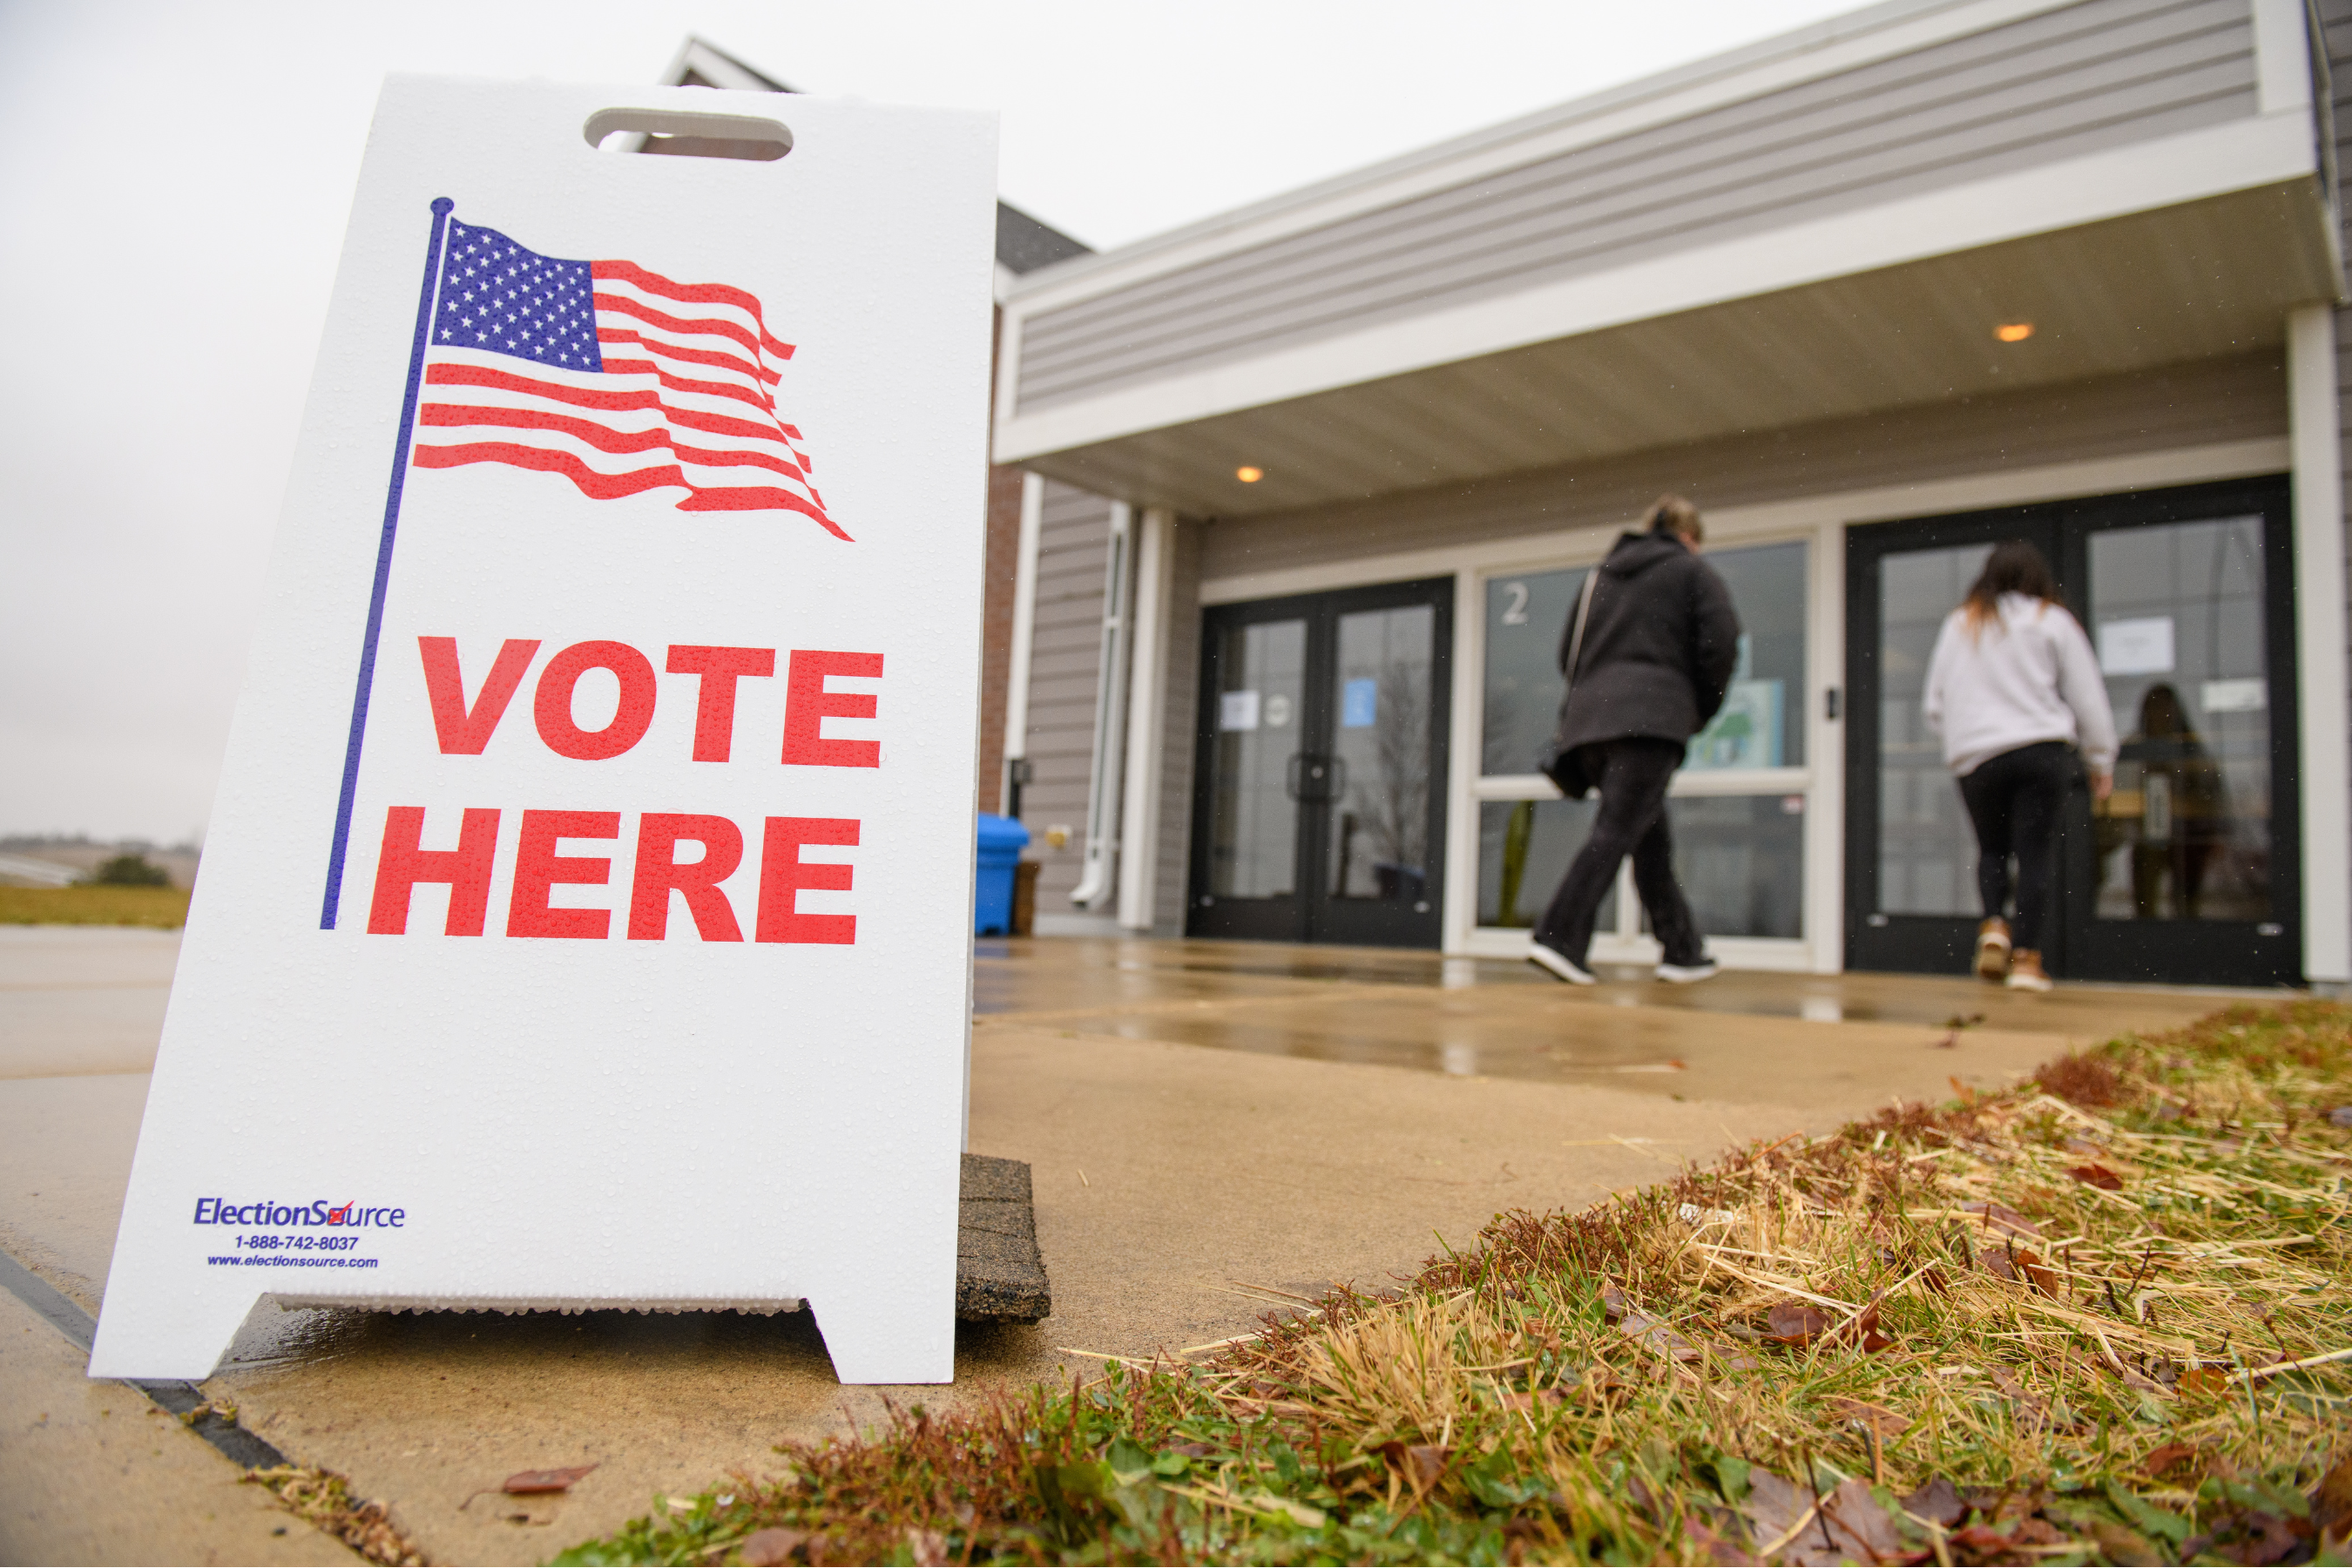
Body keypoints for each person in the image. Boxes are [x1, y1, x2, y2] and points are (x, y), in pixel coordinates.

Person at [1528, 495, 1740, 985]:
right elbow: (1721, 644)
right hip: (1650, 721)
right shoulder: (1692, 572)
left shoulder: (1599, 577)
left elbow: (1569, 655)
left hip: (1591, 725)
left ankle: (1682, 950)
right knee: (1619, 827)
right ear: (1689, 536)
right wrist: (1696, 708)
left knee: (1647, 838)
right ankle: (1558, 936)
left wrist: (1599, 697)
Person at [1923, 540, 2116, 991]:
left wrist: (1962, 739)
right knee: (2034, 854)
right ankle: (2027, 961)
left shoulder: (1961, 624)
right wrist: (2100, 758)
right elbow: (2087, 696)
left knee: (1991, 849)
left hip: (1977, 757)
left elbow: (1935, 704)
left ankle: (1994, 926)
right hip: (2039, 749)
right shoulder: (2051, 621)